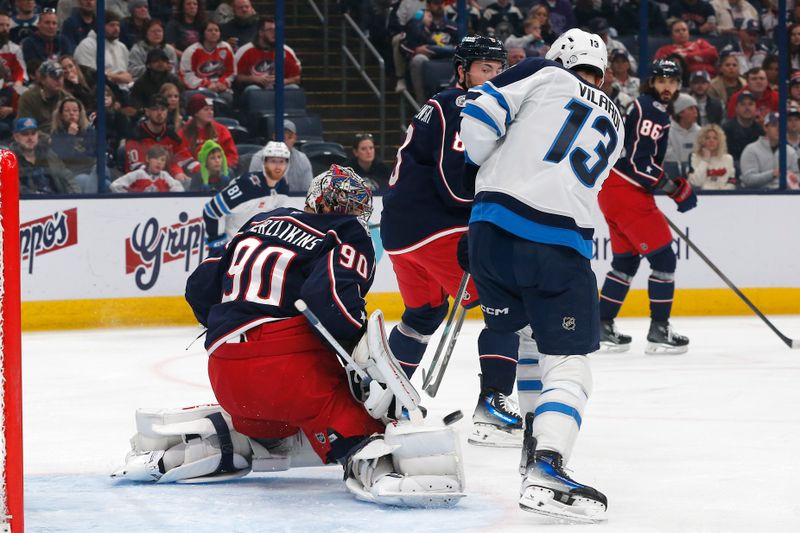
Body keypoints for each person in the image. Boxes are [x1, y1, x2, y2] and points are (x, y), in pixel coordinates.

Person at [112, 166, 469, 505]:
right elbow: (330, 302)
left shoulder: (262, 220)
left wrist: (229, 327)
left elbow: (200, 286)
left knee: (271, 428)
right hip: (288, 372)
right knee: (361, 426)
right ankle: (367, 457)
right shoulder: (345, 232)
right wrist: (359, 366)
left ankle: (245, 436)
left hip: (224, 371)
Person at [459, 28, 622, 522]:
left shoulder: (541, 71)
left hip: (490, 233)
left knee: (527, 336)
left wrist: (491, 162)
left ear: (559, 57)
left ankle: (534, 441)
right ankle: (548, 464)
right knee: (569, 362)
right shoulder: (616, 117)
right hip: (556, 244)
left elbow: (479, 120)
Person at [382, 36, 525, 448]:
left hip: (401, 233)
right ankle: (493, 406)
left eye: (499, 70)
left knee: (423, 316)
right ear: (462, 71)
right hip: (435, 228)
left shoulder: (441, 103)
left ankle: (386, 400)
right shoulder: (462, 105)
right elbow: (454, 186)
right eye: (485, 69)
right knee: (506, 304)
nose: (494, 77)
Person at [595, 59, 697, 355]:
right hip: (628, 190)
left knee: (625, 263)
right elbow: (639, 163)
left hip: (613, 190)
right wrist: (672, 187)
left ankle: (602, 325)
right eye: (662, 80)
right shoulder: (652, 110)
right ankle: (659, 329)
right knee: (664, 261)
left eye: (673, 81)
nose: (667, 86)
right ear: (652, 82)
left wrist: (665, 186)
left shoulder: (647, 107)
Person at [203, 140, 290, 254]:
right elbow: (212, 211)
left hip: (255, 253)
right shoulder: (247, 185)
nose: (278, 166)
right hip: (232, 251)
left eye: (282, 161)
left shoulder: (283, 187)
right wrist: (217, 249)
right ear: (264, 162)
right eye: (273, 161)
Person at [125, 94, 193, 184]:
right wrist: (167, 177)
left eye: (163, 109)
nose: (160, 113)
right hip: (140, 185)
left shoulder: (172, 136)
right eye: (155, 109)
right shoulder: (136, 136)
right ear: (147, 112)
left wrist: (205, 172)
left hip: (168, 180)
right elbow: (137, 169)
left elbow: (185, 159)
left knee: (187, 181)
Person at [233, 16, 301, 96]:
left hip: (279, 89)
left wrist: (283, 81)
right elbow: (236, 76)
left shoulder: (286, 51)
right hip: (254, 89)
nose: (275, 33)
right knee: (253, 90)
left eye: (276, 30)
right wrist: (254, 79)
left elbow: (297, 77)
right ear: (260, 32)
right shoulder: (245, 50)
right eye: (270, 30)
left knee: (294, 88)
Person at [12, 117, 78, 194]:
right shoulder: (9, 159)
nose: (30, 138)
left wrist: (74, 197)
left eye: (33, 133)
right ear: (16, 137)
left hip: (57, 202)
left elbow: (67, 176)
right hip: (27, 203)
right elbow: (13, 187)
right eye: (25, 134)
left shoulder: (48, 154)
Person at [73, 10, 133, 93]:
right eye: (112, 25)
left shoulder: (122, 47)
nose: (116, 29)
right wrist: (116, 77)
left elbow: (128, 73)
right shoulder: (87, 45)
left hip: (124, 91)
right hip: (99, 93)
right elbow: (88, 74)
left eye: (118, 25)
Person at [248, 119, 313, 192]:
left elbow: (308, 192)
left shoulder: (302, 159)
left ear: (295, 138)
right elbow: (253, 191)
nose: (285, 141)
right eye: (281, 137)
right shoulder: (259, 158)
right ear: (274, 137)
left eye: (289, 137)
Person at [740, 112, 800, 189]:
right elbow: (748, 179)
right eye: (774, 125)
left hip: (784, 196)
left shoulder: (790, 151)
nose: (779, 129)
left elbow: (797, 175)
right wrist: (772, 174)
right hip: (757, 196)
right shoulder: (751, 149)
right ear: (765, 127)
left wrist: (795, 179)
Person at [49, 96, 97, 193]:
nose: (71, 113)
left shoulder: (88, 131)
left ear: (80, 113)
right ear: (61, 115)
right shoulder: (57, 134)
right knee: (84, 180)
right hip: (74, 173)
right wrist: (70, 136)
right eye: (67, 111)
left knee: (106, 181)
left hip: (92, 169)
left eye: (75, 110)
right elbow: (63, 156)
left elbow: (94, 152)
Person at [179, 20, 235, 103]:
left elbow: (231, 71)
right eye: (210, 30)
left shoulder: (226, 47)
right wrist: (206, 84)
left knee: (227, 99)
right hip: (199, 89)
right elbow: (186, 76)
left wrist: (223, 82)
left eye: (216, 30)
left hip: (221, 88)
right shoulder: (191, 51)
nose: (214, 33)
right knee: (196, 98)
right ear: (203, 33)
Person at [179, 92, 238, 169]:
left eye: (212, 109)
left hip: (220, 170)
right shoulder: (184, 132)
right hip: (195, 173)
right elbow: (183, 157)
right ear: (195, 113)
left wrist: (221, 166)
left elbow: (232, 156)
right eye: (206, 109)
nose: (210, 112)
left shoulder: (221, 130)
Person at [17, 60, 69, 136]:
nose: (58, 80)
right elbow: (26, 128)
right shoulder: (28, 98)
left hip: (63, 140)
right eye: (54, 76)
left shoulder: (67, 98)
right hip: (35, 143)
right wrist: (48, 139)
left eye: (61, 75)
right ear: (43, 80)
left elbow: (82, 123)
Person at [110, 144, 185, 192]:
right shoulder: (138, 174)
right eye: (155, 158)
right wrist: (132, 194)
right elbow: (115, 186)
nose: (159, 162)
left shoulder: (164, 176)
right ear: (147, 159)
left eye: (162, 160)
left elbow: (179, 189)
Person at [722, 90, 764, 171]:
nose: (747, 108)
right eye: (743, 104)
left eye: (750, 104)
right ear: (736, 108)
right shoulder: (726, 129)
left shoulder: (760, 130)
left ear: (756, 108)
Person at [688, 123, 736, 189]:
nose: (711, 141)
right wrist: (705, 160)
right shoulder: (694, 157)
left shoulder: (728, 159)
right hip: (702, 195)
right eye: (707, 138)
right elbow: (696, 183)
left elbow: (731, 182)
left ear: (720, 141)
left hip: (723, 195)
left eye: (715, 138)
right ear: (702, 140)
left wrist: (722, 192)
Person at [665, 93, 701, 172]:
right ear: (680, 112)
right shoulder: (666, 132)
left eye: (695, 108)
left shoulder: (701, 132)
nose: (695, 112)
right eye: (691, 108)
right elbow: (669, 161)